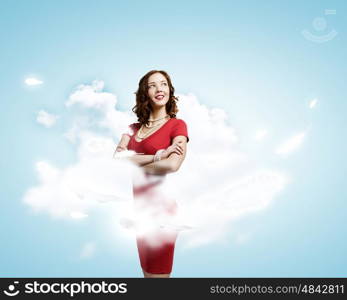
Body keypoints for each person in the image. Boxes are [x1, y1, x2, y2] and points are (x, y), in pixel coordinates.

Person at [115, 70, 189, 278]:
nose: (159, 89)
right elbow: (117, 160)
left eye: (164, 84)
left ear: (169, 90)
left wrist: (135, 162)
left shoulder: (177, 125)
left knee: (158, 278)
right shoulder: (132, 129)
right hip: (140, 212)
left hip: (162, 212)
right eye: (152, 85)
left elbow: (173, 164)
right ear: (144, 92)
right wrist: (157, 156)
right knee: (147, 274)